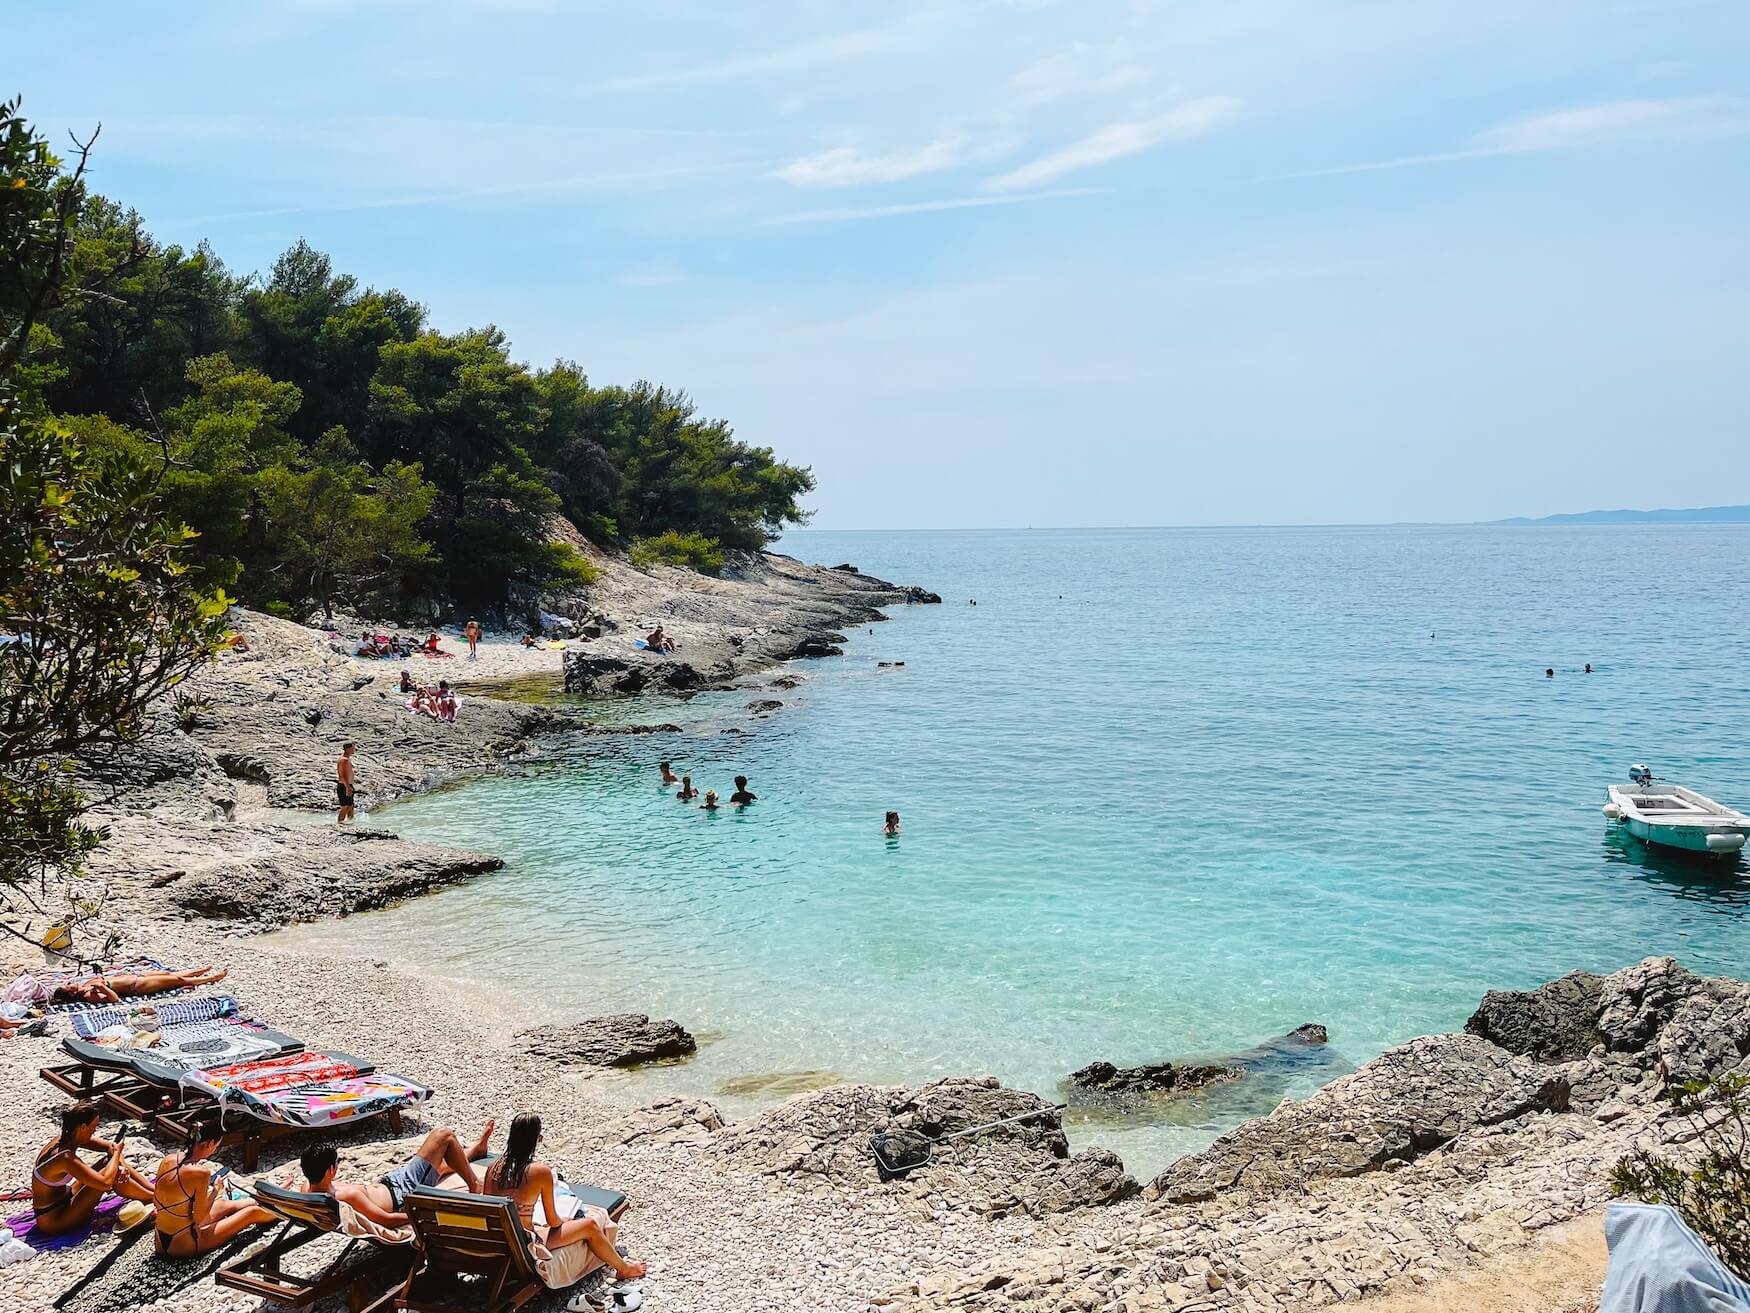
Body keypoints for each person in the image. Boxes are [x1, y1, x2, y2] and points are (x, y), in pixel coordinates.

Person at [481, 1114, 645, 1281]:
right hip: (522, 1245)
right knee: (589, 1225)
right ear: (535, 1140)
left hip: (496, 1240)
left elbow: (487, 1208)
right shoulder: (539, 1172)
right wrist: (563, 1221)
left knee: (540, 1225)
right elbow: (553, 1221)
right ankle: (624, 1269)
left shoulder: (492, 1168)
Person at [298, 1123, 492, 1227]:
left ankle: (475, 1150)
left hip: (392, 1184)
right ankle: (475, 1185)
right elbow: (385, 1220)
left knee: (435, 1167)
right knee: (444, 1135)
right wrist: (423, 1215)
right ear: (331, 1170)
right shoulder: (347, 1196)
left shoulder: (307, 1190)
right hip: (404, 1192)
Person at [31, 1102, 156, 1236]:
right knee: (113, 1174)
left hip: (64, 1198)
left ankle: (153, 1190)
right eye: (93, 1128)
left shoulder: (68, 1138)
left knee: (109, 1163)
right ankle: (155, 1199)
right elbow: (105, 1183)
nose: (94, 1132)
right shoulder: (64, 1158)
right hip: (54, 1218)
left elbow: (110, 1147)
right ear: (83, 1127)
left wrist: (121, 1165)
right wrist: (118, 1157)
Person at [153, 1135, 274, 1258]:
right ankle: (285, 1211)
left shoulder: (168, 1160)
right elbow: (199, 1218)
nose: (215, 1150)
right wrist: (216, 1190)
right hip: (186, 1244)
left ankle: (265, 1199)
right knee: (251, 1213)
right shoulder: (201, 1173)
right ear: (209, 1143)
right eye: (216, 1146)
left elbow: (156, 1201)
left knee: (222, 1204)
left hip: (160, 1240)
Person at [54, 965, 228, 1005]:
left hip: (137, 977)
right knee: (178, 982)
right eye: (69, 986)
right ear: (71, 994)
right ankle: (212, 978)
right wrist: (103, 988)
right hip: (136, 986)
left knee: (168, 975)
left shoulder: (85, 985)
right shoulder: (88, 996)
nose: (71, 983)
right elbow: (114, 1000)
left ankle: (197, 972)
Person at [337, 742, 357, 825]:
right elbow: (342, 774)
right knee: (345, 807)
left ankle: (350, 823)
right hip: (344, 785)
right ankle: (340, 824)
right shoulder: (343, 760)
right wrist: (348, 787)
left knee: (351, 806)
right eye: (353, 748)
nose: (354, 749)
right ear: (348, 749)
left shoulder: (347, 759)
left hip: (348, 785)